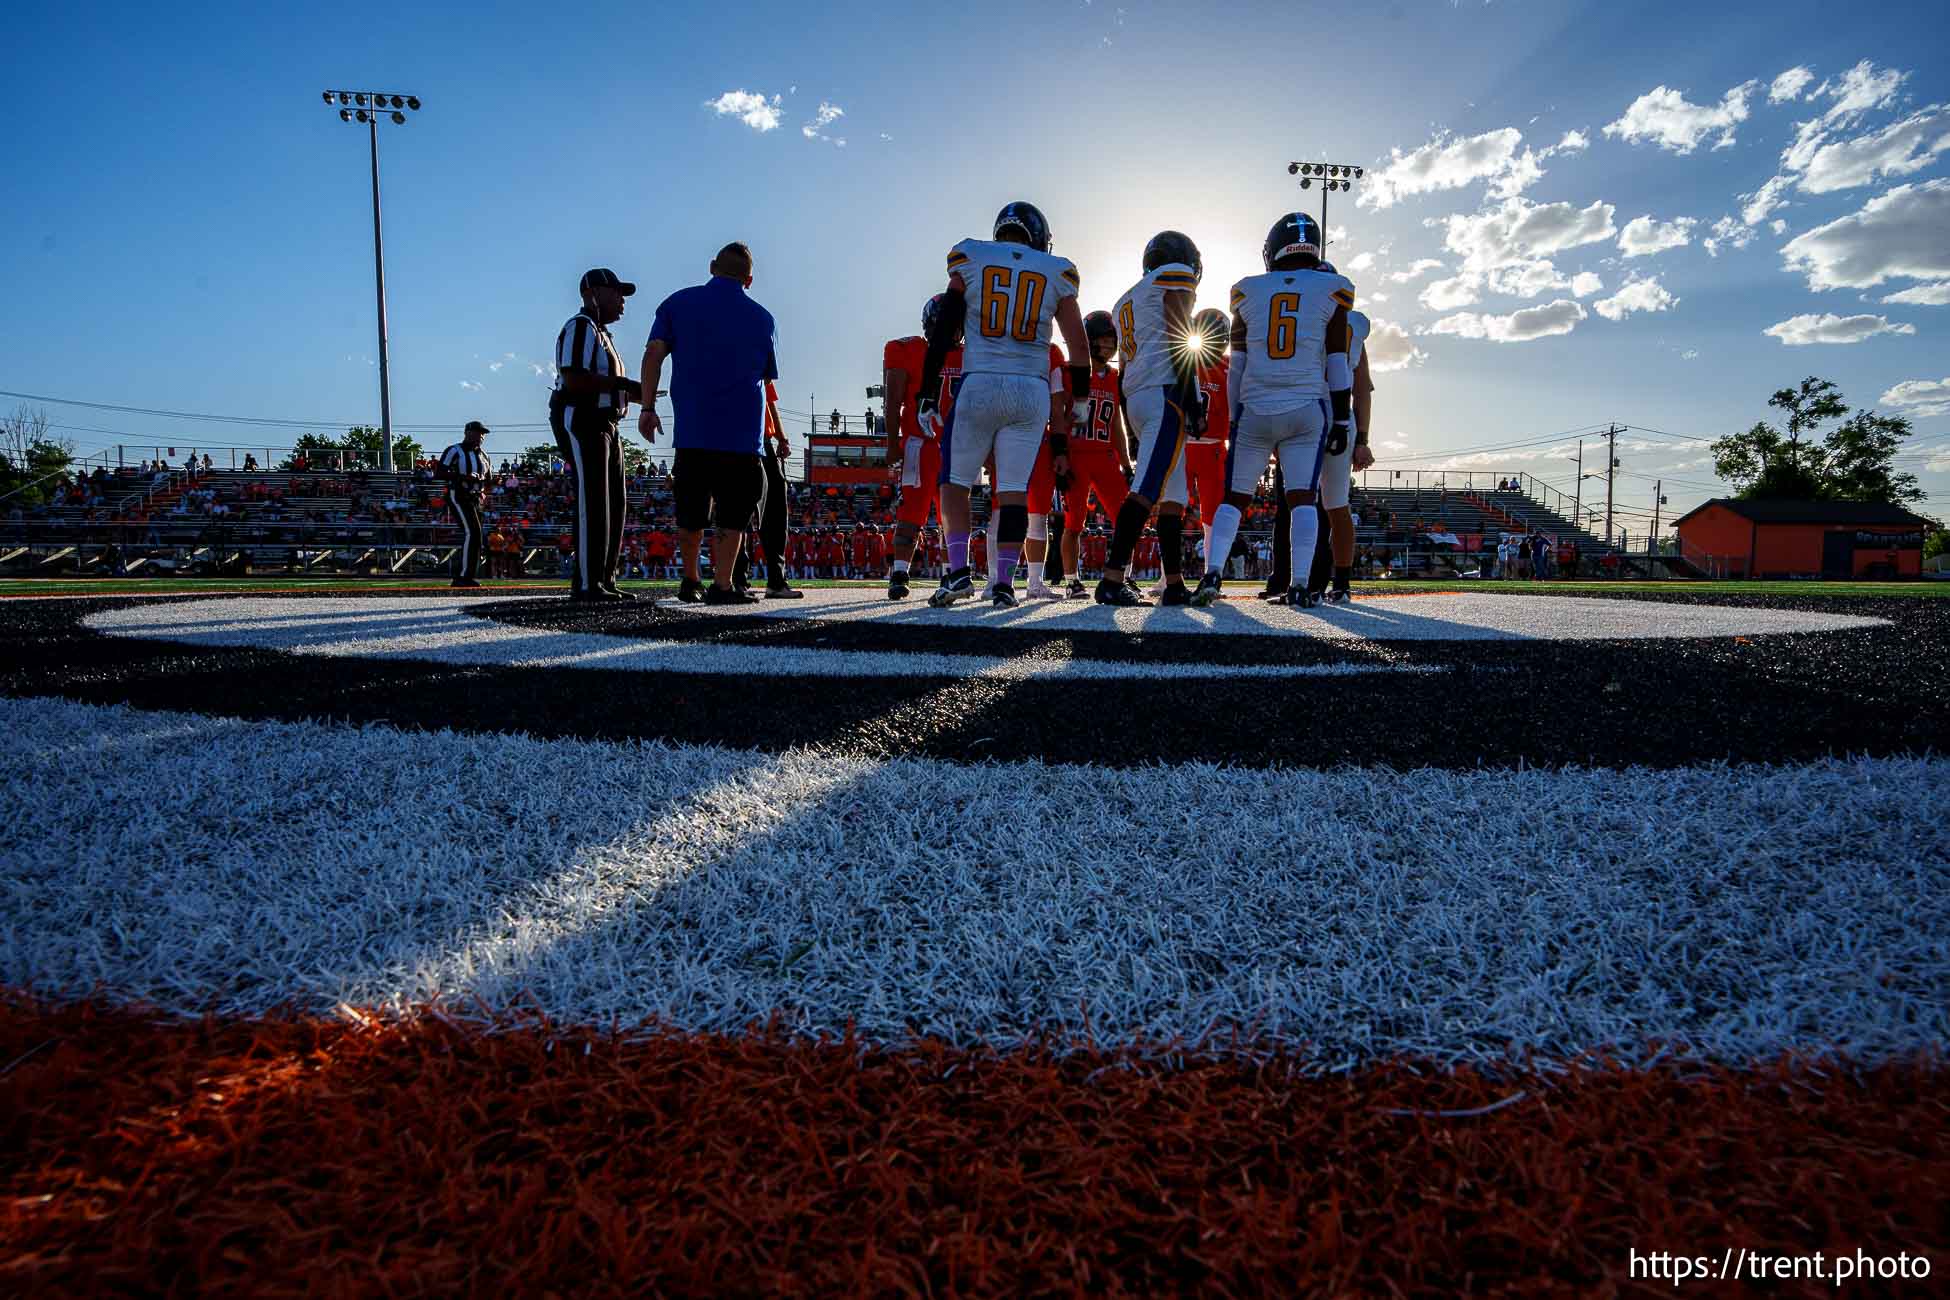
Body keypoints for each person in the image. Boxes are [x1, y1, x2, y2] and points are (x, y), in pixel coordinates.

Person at [915, 200, 1089, 610]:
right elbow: (1077, 344)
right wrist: (1079, 397)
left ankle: (958, 572)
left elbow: (946, 325)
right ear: (1040, 236)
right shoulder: (1056, 270)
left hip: (981, 382)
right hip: (1031, 389)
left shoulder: (972, 256)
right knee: (1012, 492)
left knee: (954, 482)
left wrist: (927, 387)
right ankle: (1004, 584)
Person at [1192, 212, 1356, 610]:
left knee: (1234, 496)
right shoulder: (1333, 287)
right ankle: (1300, 585)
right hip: (1306, 406)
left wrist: (1234, 419)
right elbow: (1337, 362)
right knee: (1302, 497)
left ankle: (1212, 574)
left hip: (1256, 405)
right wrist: (1341, 416)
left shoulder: (1247, 290)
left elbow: (1239, 365)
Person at [638, 242, 778, 606]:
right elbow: (766, 375)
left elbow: (653, 352)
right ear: (749, 279)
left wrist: (648, 406)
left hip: (694, 430)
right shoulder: (763, 318)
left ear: (712, 266)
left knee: (692, 509)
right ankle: (723, 585)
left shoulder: (677, 303)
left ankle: (689, 580)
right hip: (742, 434)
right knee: (734, 512)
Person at [1096, 231, 1204, 606]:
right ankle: (1111, 578)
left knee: (1173, 496)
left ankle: (1174, 583)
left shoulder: (1125, 299)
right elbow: (1180, 334)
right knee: (1144, 492)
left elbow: (1124, 369)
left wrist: (1131, 420)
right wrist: (1192, 398)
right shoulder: (1172, 278)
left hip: (1139, 397)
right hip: (1164, 394)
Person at [550, 268, 643, 602]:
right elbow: (574, 378)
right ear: (593, 293)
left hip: (607, 422)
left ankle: (605, 576)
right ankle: (589, 582)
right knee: (594, 498)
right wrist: (622, 385)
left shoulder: (603, 334)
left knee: (615, 501)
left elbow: (608, 384)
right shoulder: (581, 327)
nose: (621, 301)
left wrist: (637, 395)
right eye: (616, 293)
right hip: (583, 415)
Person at [881, 295, 958, 599]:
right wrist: (891, 443)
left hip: (954, 447)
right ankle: (899, 572)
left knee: (951, 516)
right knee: (911, 512)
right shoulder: (908, 349)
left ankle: (953, 574)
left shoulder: (969, 355)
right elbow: (893, 402)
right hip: (920, 444)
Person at [1308, 285, 1375, 604]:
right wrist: (1362, 438)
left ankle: (1307, 581)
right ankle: (1341, 584)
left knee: (1305, 502)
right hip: (1339, 416)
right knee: (1336, 505)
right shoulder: (1354, 324)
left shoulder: (1305, 312)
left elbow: (1361, 388)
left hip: (1303, 411)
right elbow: (1361, 390)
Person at [1059, 310, 1133, 597]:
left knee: (1126, 520)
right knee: (1073, 524)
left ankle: (1122, 576)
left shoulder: (1115, 377)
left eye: (1111, 340)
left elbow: (1116, 424)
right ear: (1088, 341)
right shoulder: (1070, 372)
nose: (1108, 346)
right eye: (1102, 340)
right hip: (1076, 454)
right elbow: (1059, 415)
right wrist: (1060, 454)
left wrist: (1126, 464)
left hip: (1105, 457)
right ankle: (1071, 580)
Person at [1182, 308, 1231, 584]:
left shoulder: (1229, 367)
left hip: (1213, 449)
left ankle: (1212, 573)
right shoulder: (1184, 361)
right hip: (1185, 446)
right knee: (1173, 508)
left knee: (1213, 515)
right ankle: (1169, 576)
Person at [437, 421, 492, 588]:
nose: (481, 436)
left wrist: (486, 484)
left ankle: (465, 574)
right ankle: (464, 576)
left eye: (482, 433)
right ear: (467, 433)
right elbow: (440, 472)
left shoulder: (484, 455)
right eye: (477, 432)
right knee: (473, 532)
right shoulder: (454, 450)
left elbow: (489, 477)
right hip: (459, 494)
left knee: (476, 535)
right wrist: (463, 477)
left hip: (476, 498)